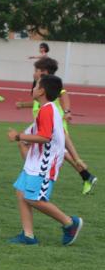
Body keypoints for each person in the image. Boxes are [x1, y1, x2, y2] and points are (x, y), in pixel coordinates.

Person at [7, 75, 83, 245]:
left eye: (36, 86)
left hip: (44, 164)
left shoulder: (48, 110)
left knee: (34, 199)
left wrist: (18, 136)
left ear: (41, 91)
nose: (33, 88)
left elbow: (44, 137)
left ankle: (70, 223)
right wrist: (76, 157)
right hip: (34, 162)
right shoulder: (47, 109)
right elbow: (61, 134)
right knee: (21, 192)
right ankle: (28, 235)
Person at [16, 57, 97, 194]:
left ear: (44, 72)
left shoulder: (50, 83)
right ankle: (86, 176)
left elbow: (64, 96)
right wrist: (23, 105)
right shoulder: (40, 86)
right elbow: (37, 103)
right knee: (62, 152)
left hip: (52, 121)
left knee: (25, 142)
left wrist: (67, 111)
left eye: (36, 70)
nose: (34, 73)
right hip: (41, 122)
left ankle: (32, 172)